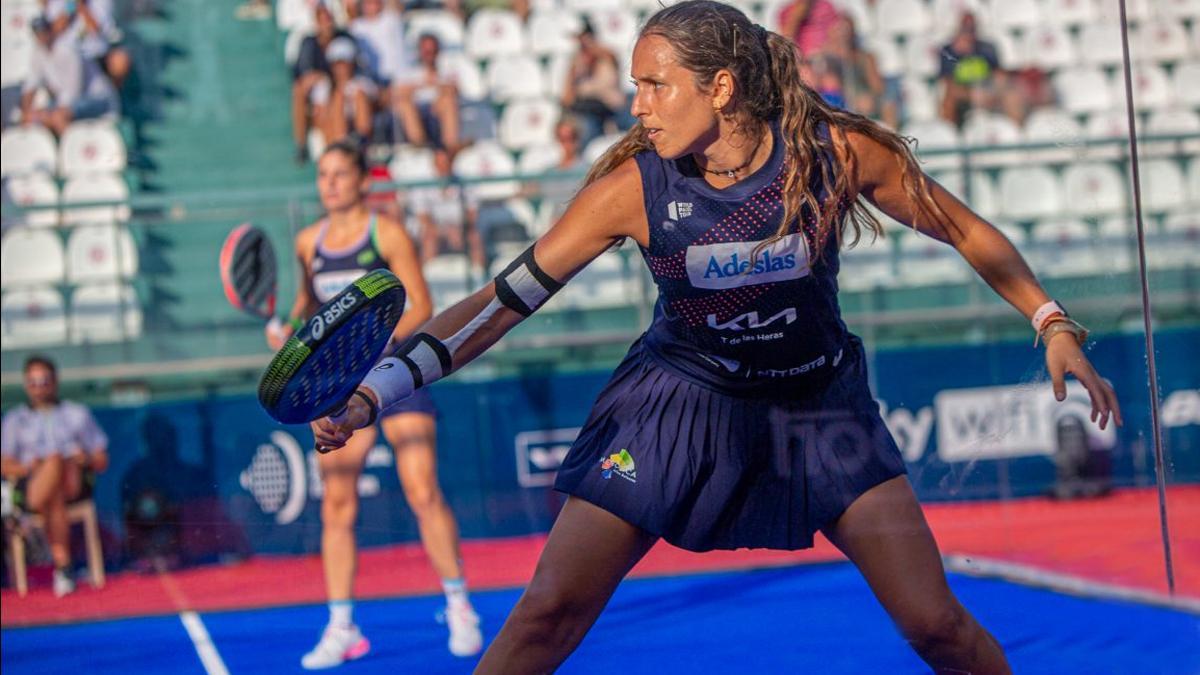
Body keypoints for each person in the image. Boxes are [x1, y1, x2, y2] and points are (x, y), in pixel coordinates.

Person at [314, 2, 1123, 673]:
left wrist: (1050, 321)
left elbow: (963, 227)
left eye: (654, 86)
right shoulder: (631, 188)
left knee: (937, 625)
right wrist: (375, 389)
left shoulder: (834, 154)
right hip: (676, 403)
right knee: (546, 614)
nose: (637, 104)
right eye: (636, 86)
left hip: (819, 404)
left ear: (722, 87)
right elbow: (502, 301)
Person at [268, 140, 483, 668]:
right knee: (337, 506)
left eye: (341, 173)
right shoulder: (305, 243)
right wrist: (287, 332)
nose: (331, 183)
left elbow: (424, 307)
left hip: (392, 377)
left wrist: (370, 352)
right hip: (336, 389)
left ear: (363, 180)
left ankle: (459, 605)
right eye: (324, 174)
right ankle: (341, 626)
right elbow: (309, 311)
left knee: (421, 489)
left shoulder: (385, 233)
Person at [1, 356, 109, 597]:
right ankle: (64, 568)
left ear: (55, 382)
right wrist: (28, 468)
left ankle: (30, 526)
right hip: (33, 485)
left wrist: (84, 459)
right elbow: (4, 463)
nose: (39, 388)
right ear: (26, 384)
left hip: (73, 482)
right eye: (33, 382)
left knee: (58, 462)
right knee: (54, 487)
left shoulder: (77, 414)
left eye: (44, 381)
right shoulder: (14, 420)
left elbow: (101, 459)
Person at [21, 2, 120, 136]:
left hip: (98, 99)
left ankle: (72, 152)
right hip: (70, 100)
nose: (42, 37)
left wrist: (47, 113)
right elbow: (31, 84)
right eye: (38, 34)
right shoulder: (38, 53)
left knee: (58, 116)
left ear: (50, 30)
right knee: (33, 118)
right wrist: (26, 111)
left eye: (44, 31)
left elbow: (73, 93)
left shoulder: (67, 50)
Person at [937, 12, 1025, 127]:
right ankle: (948, 134)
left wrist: (987, 92)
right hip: (963, 93)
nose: (968, 31)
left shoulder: (987, 48)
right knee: (948, 98)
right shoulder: (948, 51)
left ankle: (1016, 132)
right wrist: (972, 94)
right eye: (965, 27)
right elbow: (948, 81)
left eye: (971, 27)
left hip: (986, 90)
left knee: (1011, 94)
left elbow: (999, 75)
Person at [292, 0, 354, 163]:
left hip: (338, 89)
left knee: (333, 100)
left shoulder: (343, 38)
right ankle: (302, 144)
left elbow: (347, 70)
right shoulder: (309, 43)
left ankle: (336, 154)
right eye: (323, 19)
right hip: (319, 93)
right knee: (302, 92)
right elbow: (303, 74)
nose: (327, 23)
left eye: (328, 19)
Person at [561, 19, 629, 147]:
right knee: (581, 127)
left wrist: (589, 48)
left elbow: (611, 57)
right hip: (588, 113)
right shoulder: (576, 64)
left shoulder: (605, 58)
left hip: (612, 111)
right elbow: (567, 99)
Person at [392, 33, 462, 152]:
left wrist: (434, 84)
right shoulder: (408, 71)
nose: (429, 54)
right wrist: (424, 84)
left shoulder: (447, 68)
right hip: (415, 107)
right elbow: (398, 92)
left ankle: (450, 145)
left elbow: (454, 89)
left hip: (437, 107)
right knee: (405, 104)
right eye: (426, 50)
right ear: (420, 51)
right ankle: (419, 143)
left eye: (432, 50)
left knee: (448, 101)